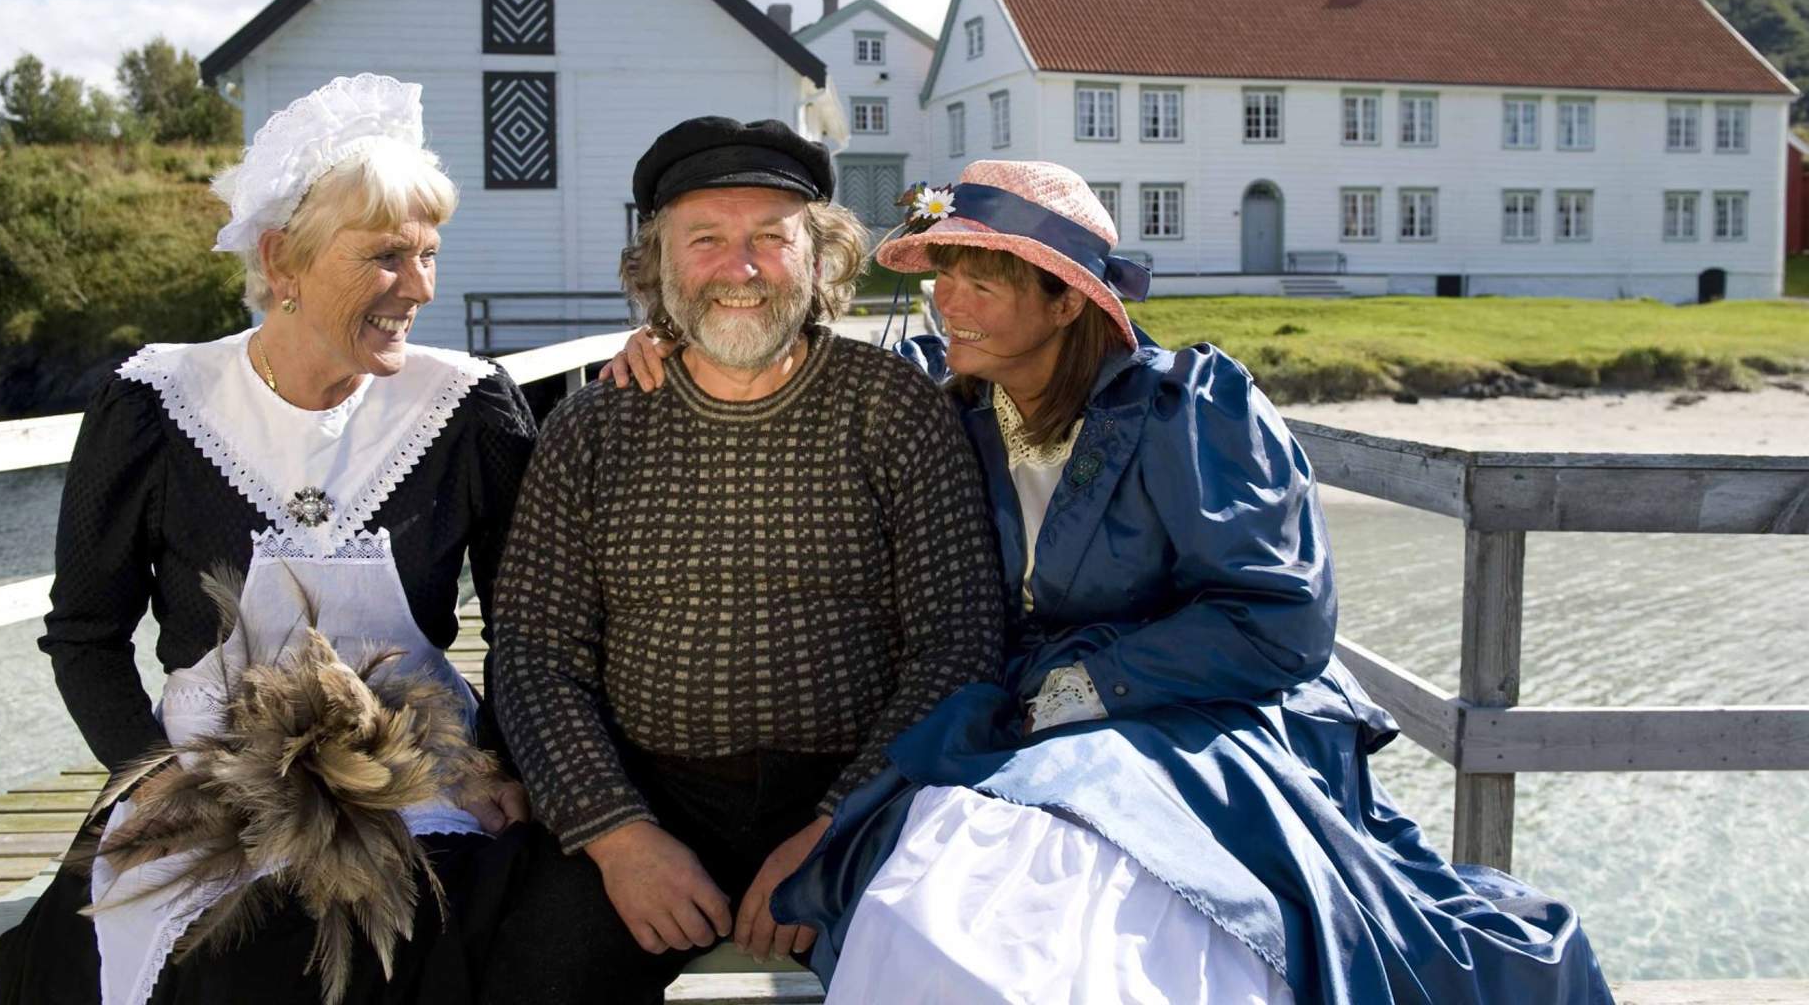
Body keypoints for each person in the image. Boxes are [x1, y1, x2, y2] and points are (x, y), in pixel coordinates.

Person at [610, 161, 1615, 1004]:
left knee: (1110, 901)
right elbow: (788, 366)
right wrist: (668, 344)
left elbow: (1281, 621)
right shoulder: (945, 404)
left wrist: (1081, 690)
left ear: (1065, 301)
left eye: (980, 282)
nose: (947, 301)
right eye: (940, 278)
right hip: (1008, 717)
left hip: (1197, 714)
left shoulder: (1190, 409)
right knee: (950, 884)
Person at [0, 73, 538, 1005]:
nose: (418, 289)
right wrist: (152, 776)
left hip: (417, 775)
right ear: (282, 260)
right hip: (200, 775)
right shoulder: (156, 405)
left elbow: (534, 629)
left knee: (420, 947)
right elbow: (83, 634)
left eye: (428, 255)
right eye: (385, 259)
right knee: (183, 952)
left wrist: (496, 762)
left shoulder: (467, 408)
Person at [481, 116, 1006, 1003]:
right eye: (708, 241)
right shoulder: (591, 428)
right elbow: (535, 653)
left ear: (818, 257)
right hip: (648, 792)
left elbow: (957, 641)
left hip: (859, 797)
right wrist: (617, 836)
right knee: (523, 972)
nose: (744, 268)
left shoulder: (892, 409)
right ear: (660, 265)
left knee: (948, 973)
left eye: (772, 238)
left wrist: (839, 827)